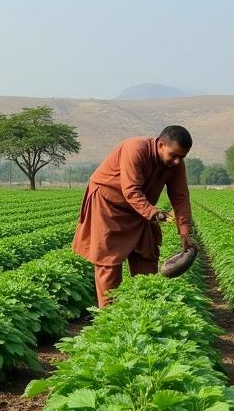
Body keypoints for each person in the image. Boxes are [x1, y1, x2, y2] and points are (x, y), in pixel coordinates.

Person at [72, 125, 196, 308]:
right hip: (108, 205)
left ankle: (144, 308)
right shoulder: (135, 148)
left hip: (140, 208)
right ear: (161, 144)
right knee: (109, 263)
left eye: (182, 157)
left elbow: (181, 196)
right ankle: (108, 316)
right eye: (174, 155)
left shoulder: (176, 164)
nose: (178, 161)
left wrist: (185, 233)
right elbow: (131, 190)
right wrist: (154, 213)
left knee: (147, 256)